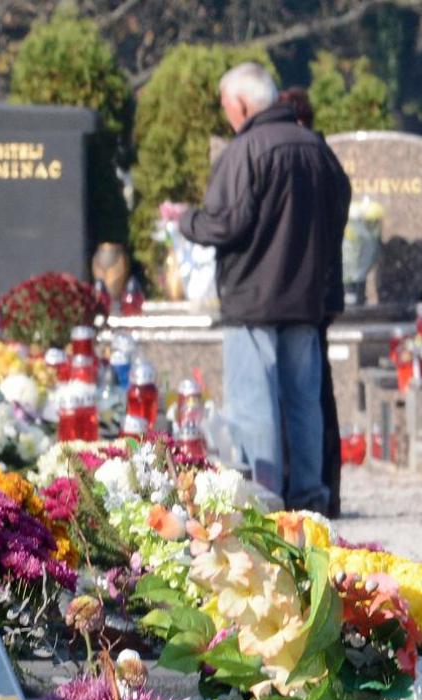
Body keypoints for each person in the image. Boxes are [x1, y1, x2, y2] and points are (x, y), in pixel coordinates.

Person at [178, 62, 350, 512]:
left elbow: (224, 222)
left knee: (254, 411)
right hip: (307, 298)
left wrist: (182, 219)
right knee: (303, 405)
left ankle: (267, 505)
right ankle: (311, 502)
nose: (227, 115)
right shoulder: (317, 148)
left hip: (253, 298)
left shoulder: (245, 150)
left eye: (225, 106)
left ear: (240, 104)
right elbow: (340, 206)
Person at [280, 86, 345, 518]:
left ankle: (319, 486)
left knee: (312, 393)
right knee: (317, 390)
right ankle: (326, 486)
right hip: (320, 288)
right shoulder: (325, 156)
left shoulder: (312, 157)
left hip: (310, 290)